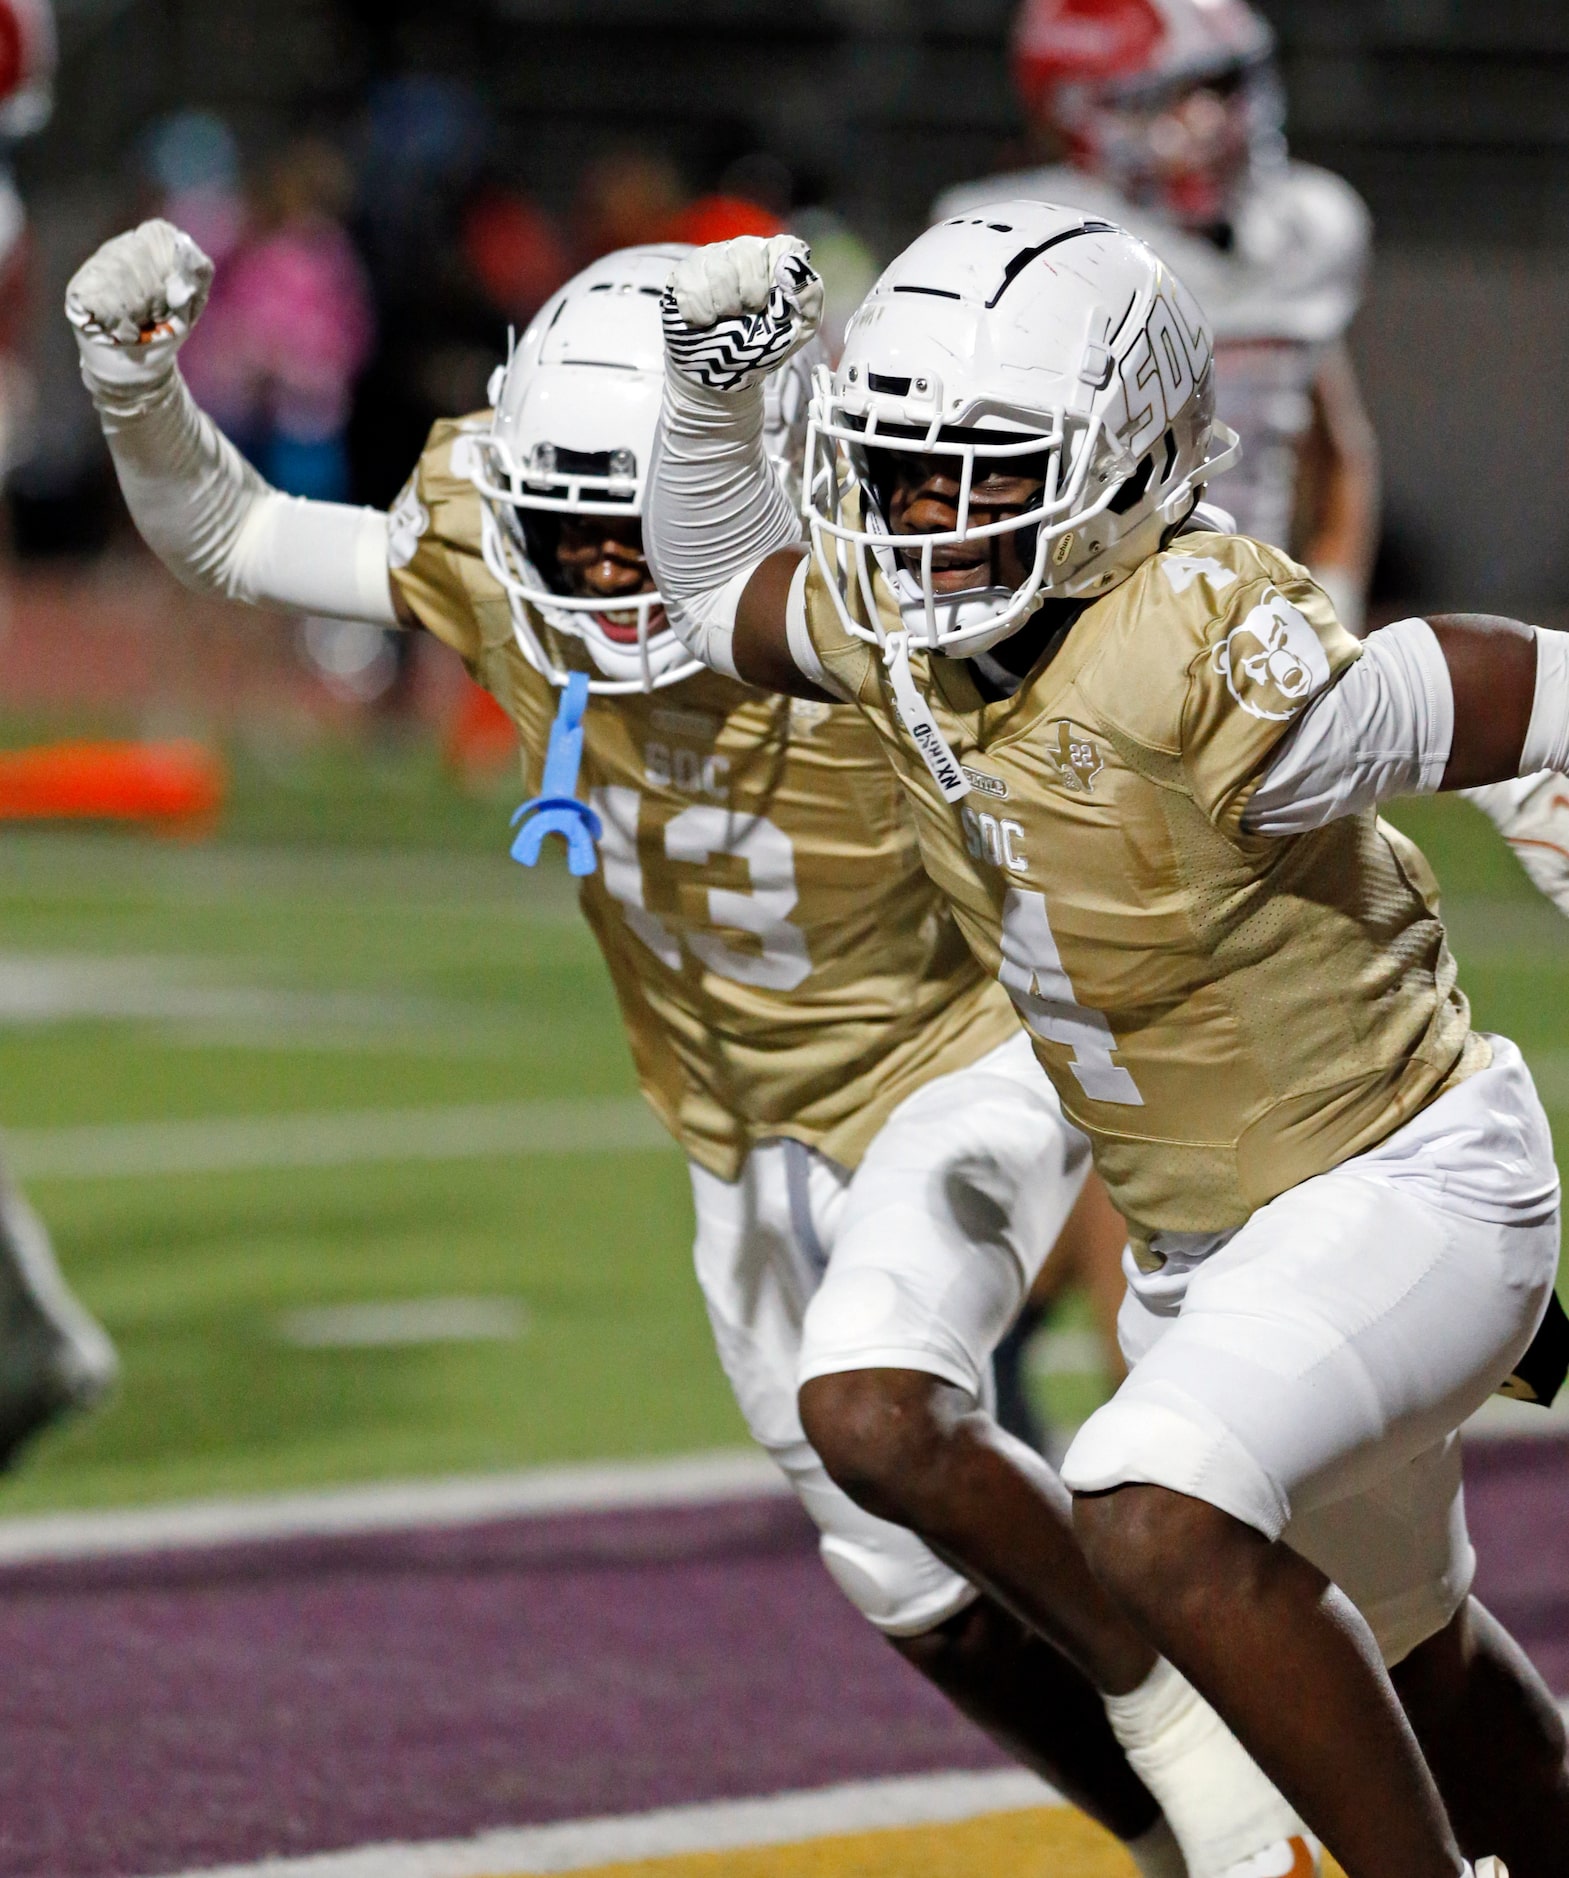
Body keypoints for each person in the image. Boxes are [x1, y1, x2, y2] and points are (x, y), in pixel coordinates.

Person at [64, 217, 1344, 1878]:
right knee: (892, 1567)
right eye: (572, 531)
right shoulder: (484, 534)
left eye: (640, 526)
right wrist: (133, 390)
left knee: (878, 1404)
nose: (606, 572)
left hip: (961, 1053)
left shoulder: (887, 583)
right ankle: (1179, 1830)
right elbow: (236, 532)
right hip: (734, 1120)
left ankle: (1226, 1770)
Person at [641, 221, 1569, 1878]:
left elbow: (1471, 683)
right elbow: (715, 592)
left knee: (1147, 1500)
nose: (916, 525)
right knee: (1415, 1652)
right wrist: (713, 418)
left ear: (1130, 462)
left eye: (971, 473)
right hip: (1211, 1241)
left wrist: (1547, 771)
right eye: (893, 473)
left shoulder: (1186, 631)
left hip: (1405, 1181)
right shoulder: (896, 621)